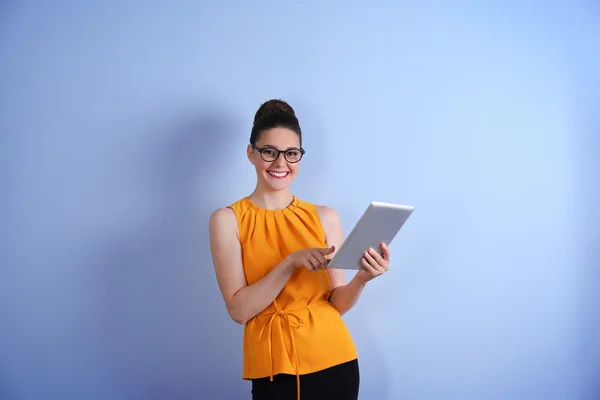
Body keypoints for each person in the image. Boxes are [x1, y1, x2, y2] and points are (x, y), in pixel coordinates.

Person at [209, 99, 391, 400]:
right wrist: (289, 263)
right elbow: (239, 311)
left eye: (291, 153)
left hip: (336, 360)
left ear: (300, 157)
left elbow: (337, 304)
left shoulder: (325, 216)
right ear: (251, 154)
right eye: (270, 152)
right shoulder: (227, 220)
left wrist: (363, 278)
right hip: (273, 367)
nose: (281, 164)